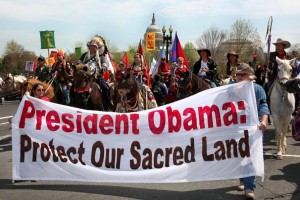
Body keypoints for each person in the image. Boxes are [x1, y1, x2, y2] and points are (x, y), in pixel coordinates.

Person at [234, 63, 269, 200]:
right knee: (238, 155)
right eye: (238, 74)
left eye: (243, 74)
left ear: (249, 76)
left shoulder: (258, 89)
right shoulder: (231, 90)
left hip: (253, 128)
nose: (240, 77)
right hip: (235, 127)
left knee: (250, 156)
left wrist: (264, 121)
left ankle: (249, 186)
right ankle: (243, 179)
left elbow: (263, 107)